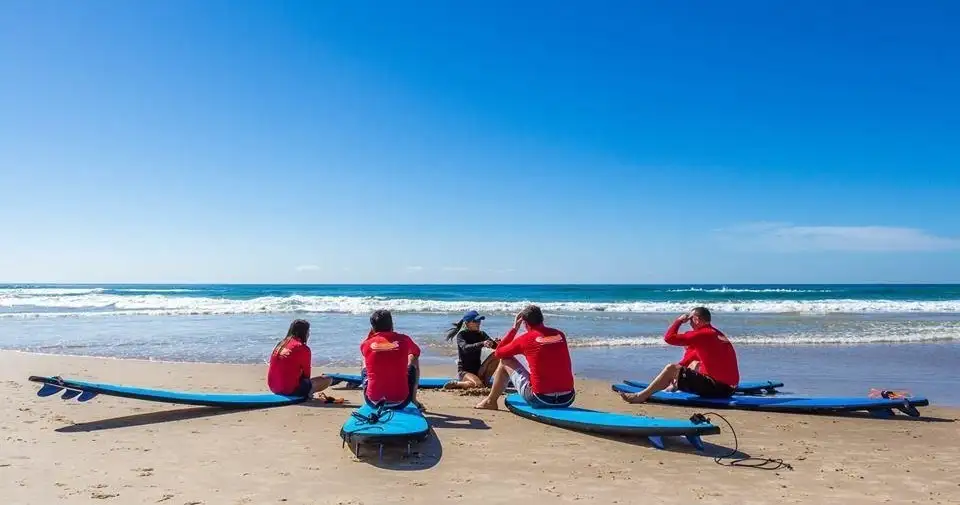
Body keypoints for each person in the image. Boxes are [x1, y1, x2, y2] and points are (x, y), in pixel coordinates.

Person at [619, 307, 739, 404]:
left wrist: (679, 320)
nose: (689, 323)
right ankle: (672, 386)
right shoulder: (714, 333)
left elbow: (669, 338)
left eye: (690, 319)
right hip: (729, 389)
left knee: (671, 368)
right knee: (694, 364)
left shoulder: (702, 334)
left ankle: (641, 396)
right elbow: (687, 360)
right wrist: (673, 377)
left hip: (719, 388)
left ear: (696, 319)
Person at [475, 305, 575, 410]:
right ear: (542, 319)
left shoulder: (525, 339)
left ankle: (491, 401)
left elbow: (499, 353)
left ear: (524, 323)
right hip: (568, 398)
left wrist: (514, 329)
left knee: (505, 360)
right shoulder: (560, 335)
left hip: (541, 399)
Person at [360, 309, 425, 411]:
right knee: (413, 356)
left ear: (372, 327)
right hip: (402, 401)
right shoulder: (404, 339)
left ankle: (373, 390)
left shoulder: (366, 343)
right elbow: (416, 352)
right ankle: (413, 399)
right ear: (392, 324)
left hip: (373, 402)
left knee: (365, 359)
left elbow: (366, 351)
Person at [266, 319, 333, 398]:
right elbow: (306, 375)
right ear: (303, 333)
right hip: (289, 390)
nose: (309, 334)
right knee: (328, 379)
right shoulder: (302, 348)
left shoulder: (281, 343)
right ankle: (308, 394)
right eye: (308, 332)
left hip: (274, 388)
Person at [442, 310, 498, 390]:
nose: (478, 323)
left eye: (479, 320)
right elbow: (466, 348)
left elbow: (495, 346)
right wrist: (482, 343)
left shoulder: (482, 334)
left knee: (498, 354)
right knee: (478, 385)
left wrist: (495, 343)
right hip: (465, 372)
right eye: (475, 321)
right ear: (467, 323)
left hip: (479, 369)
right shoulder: (461, 335)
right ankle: (457, 384)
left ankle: (485, 382)